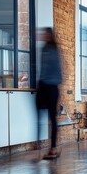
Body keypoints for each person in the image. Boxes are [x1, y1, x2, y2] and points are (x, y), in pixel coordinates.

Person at [36, 28, 62, 160]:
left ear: (50, 36)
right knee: (40, 117)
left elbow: (55, 70)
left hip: (50, 87)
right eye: (43, 34)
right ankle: (41, 147)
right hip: (44, 86)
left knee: (52, 118)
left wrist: (46, 83)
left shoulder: (52, 50)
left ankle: (53, 148)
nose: (43, 36)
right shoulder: (44, 49)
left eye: (46, 34)